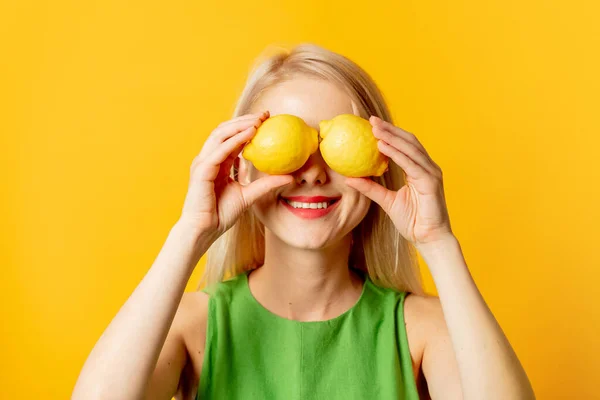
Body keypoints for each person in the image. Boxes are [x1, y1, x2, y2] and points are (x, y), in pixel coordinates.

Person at [72, 43, 536, 400]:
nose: (313, 171)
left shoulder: (421, 329)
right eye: (290, 141)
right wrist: (190, 233)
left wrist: (438, 242)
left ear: (379, 163)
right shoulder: (196, 325)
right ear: (241, 167)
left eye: (336, 143)